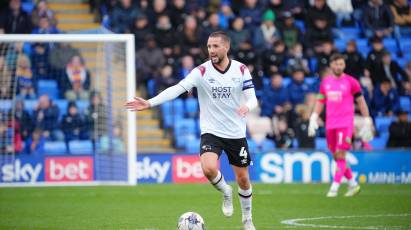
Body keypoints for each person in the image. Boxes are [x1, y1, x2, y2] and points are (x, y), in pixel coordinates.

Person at [126, 31, 257, 230]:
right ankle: (225, 192)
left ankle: (247, 219)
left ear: (226, 47)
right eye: (209, 46)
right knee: (209, 168)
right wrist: (150, 103)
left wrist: (248, 106)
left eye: (215, 46)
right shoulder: (202, 71)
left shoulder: (240, 69)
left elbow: (253, 98)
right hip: (211, 131)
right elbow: (177, 88)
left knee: (244, 179)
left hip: (236, 133)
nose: (211, 50)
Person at [308, 53, 374, 197]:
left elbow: (361, 102)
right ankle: (353, 184)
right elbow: (320, 101)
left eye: (341, 64)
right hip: (330, 124)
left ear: (344, 65)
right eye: (336, 64)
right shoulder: (325, 83)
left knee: (341, 153)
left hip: (345, 124)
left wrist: (367, 119)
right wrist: (313, 117)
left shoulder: (351, 82)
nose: (339, 66)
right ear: (331, 65)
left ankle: (334, 188)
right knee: (336, 156)